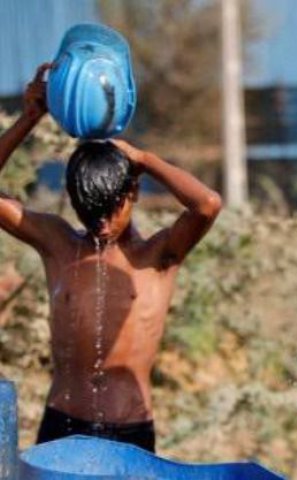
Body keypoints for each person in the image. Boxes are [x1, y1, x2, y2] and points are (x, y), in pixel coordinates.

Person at [0, 64, 222, 452]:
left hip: (131, 431)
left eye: (109, 210)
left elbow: (207, 204)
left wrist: (144, 158)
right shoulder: (58, 243)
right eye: (88, 212)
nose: (99, 224)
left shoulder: (160, 256)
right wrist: (30, 118)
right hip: (62, 425)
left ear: (133, 192)